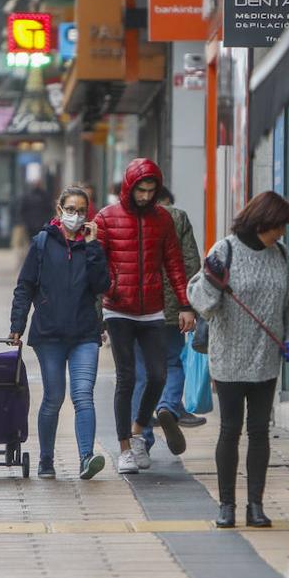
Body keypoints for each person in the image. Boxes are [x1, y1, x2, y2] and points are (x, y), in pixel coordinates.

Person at [187, 192, 289, 529]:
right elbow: (202, 304)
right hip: (230, 358)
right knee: (231, 431)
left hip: (266, 359)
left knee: (260, 431)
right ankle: (226, 506)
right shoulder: (225, 251)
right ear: (262, 222)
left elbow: (287, 306)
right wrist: (211, 279)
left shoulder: (280, 253)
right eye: (279, 226)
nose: (282, 234)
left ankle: (256, 505)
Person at [94, 158, 195, 474]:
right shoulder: (107, 219)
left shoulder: (162, 220)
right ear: (129, 187)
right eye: (141, 190)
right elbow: (95, 268)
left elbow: (175, 264)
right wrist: (98, 311)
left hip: (152, 309)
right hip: (118, 308)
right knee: (127, 378)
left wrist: (185, 305)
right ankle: (125, 448)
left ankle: (138, 430)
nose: (145, 196)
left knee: (158, 375)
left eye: (151, 191)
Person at [8, 186, 110, 480]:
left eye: (81, 211)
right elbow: (25, 286)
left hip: (84, 334)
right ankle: (46, 458)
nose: (76, 216)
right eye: (71, 209)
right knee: (53, 397)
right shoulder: (42, 242)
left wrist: (92, 247)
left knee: (83, 396)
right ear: (59, 210)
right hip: (49, 334)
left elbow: (102, 285)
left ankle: (86, 458)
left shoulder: (92, 246)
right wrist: (17, 326)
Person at [133, 185, 206, 457]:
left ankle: (142, 440)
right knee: (173, 363)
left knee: (141, 374)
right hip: (172, 309)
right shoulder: (178, 217)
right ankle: (167, 406)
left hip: (137, 308)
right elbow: (191, 263)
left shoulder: (127, 216)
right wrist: (187, 305)